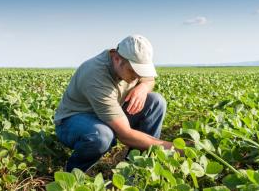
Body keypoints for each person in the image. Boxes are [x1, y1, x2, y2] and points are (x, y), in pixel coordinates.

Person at [54, 34, 175, 173]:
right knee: (102, 135)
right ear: (117, 59)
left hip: (109, 113)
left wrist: (143, 87)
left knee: (156, 101)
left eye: (141, 71)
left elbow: (149, 79)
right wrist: (174, 149)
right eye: (133, 71)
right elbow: (125, 134)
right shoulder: (95, 74)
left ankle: (136, 168)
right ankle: (72, 174)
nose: (138, 76)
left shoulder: (131, 63)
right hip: (74, 120)